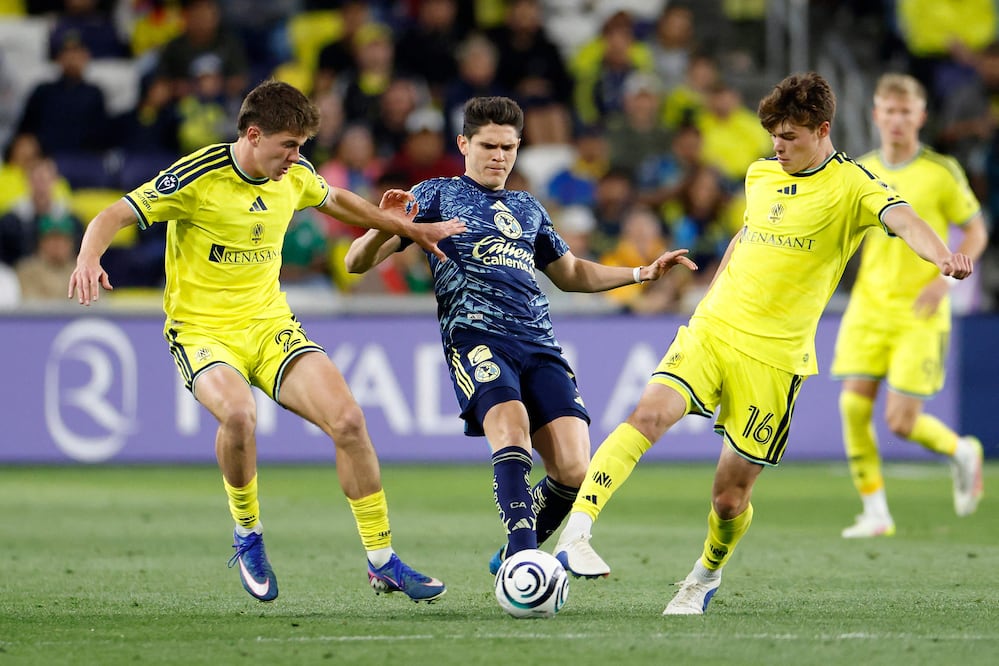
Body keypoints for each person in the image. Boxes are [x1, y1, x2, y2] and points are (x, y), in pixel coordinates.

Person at [552, 72, 974, 616]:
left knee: (729, 498)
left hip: (775, 357)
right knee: (648, 414)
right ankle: (576, 534)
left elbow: (905, 218)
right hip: (714, 328)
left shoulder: (855, 185)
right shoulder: (761, 173)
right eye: (774, 134)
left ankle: (704, 576)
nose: (778, 146)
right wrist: (711, 293)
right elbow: (747, 233)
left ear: (822, 131)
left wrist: (941, 257)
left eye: (791, 136)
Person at [67, 79, 464, 604]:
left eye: (301, 147)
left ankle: (382, 560)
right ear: (253, 134)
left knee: (348, 420)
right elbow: (112, 214)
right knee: (238, 415)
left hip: (270, 326)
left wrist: (403, 227)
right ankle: (248, 534)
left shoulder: (293, 175)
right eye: (289, 146)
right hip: (203, 331)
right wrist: (88, 257)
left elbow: (335, 198)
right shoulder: (197, 177)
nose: (297, 158)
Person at [343, 96, 697, 576]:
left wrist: (640, 272)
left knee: (574, 469)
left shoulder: (527, 207)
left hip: (539, 341)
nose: (500, 156)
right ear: (464, 143)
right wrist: (380, 224)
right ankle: (523, 559)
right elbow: (355, 264)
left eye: (509, 147)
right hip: (477, 337)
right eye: (489, 145)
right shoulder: (435, 195)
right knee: (510, 432)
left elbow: (570, 273)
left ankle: (516, 550)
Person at [832, 73, 988, 538]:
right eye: (889, 111)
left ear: (920, 116)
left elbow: (976, 230)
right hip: (868, 306)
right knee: (852, 409)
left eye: (906, 112)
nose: (897, 120)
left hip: (920, 311)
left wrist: (947, 283)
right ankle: (875, 512)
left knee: (900, 422)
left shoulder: (940, 172)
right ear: (875, 115)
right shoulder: (859, 171)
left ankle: (962, 450)